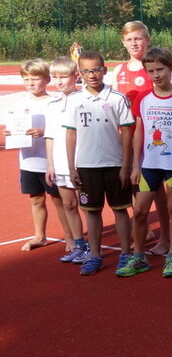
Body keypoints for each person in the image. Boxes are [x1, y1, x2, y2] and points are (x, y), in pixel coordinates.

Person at [65, 51, 135, 275]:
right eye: (86, 71)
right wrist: (71, 167)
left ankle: (125, 254)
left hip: (114, 164)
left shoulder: (117, 98)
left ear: (104, 70)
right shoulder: (74, 100)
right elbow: (71, 135)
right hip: (86, 165)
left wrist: (126, 165)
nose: (92, 75)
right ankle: (95, 255)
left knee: (120, 210)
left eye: (96, 70)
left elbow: (126, 133)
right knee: (92, 212)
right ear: (79, 74)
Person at [125, 48, 172, 278]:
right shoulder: (143, 99)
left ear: (170, 68)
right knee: (140, 211)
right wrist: (135, 165)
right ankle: (139, 257)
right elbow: (139, 132)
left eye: (160, 69)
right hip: (149, 164)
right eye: (151, 71)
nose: (156, 74)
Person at [5, 59, 60, 251]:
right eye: (26, 79)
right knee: (36, 198)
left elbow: (62, 130)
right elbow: (14, 125)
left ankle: (72, 237)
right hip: (28, 161)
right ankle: (40, 236)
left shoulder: (54, 101)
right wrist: (9, 133)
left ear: (46, 79)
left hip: (51, 161)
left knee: (59, 200)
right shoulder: (20, 102)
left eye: (35, 79)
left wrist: (43, 131)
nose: (30, 83)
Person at [44, 57, 85, 261]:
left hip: (81, 162)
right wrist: (50, 164)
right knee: (69, 205)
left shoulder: (83, 100)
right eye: (54, 77)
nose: (58, 81)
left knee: (88, 206)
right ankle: (79, 244)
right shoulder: (52, 105)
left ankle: (94, 246)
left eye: (63, 76)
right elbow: (50, 136)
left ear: (75, 77)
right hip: (60, 164)